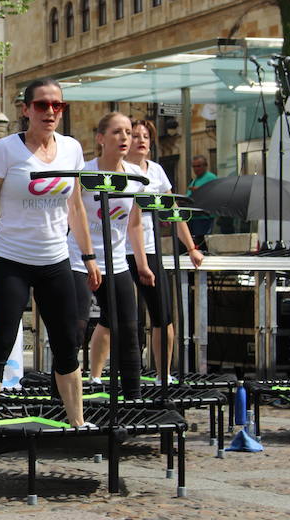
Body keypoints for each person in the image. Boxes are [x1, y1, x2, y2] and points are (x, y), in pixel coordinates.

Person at [0, 78, 99, 428]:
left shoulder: (72, 149)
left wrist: (89, 257)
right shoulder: (6, 149)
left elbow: (75, 208)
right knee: (1, 342)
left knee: (66, 345)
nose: (50, 112)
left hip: (55, 260)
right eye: (42, 105)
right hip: (11, 260)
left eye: (56, 105)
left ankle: (77, 422)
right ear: (26, 109)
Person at [71, 112, 153, 398]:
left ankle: (133, 398)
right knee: (75, 331)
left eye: (128, 132)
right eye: (117, 132)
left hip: (116, 262)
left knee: (129, 332)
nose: (125, 138)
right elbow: (73, 213)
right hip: (79, 259)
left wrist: (142, 265)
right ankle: (64, 399)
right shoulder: (83, 173)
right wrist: (87, 256)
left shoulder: (136, 179)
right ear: (101, 138)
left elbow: (134, 223)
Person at [125, 119, 203, 383]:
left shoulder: (156, 171)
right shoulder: (119, 169)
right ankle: (105, 376)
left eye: (146, 136)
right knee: (117, 316)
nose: (141, 140)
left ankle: (163, 374)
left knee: (163, 314)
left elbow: (173, 210)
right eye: (135, 135)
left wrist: (191, 247)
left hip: (149, 248)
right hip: (118, 250)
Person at [186, 154, 217, 250]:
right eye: (194, 166)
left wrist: (199, 190)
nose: (196, 169)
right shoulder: (194, 180)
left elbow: (214, 194)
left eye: (198, 166)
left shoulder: (211, 178)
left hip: (204, 217)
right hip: (193, 216)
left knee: (202, 242)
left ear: (205, 166)